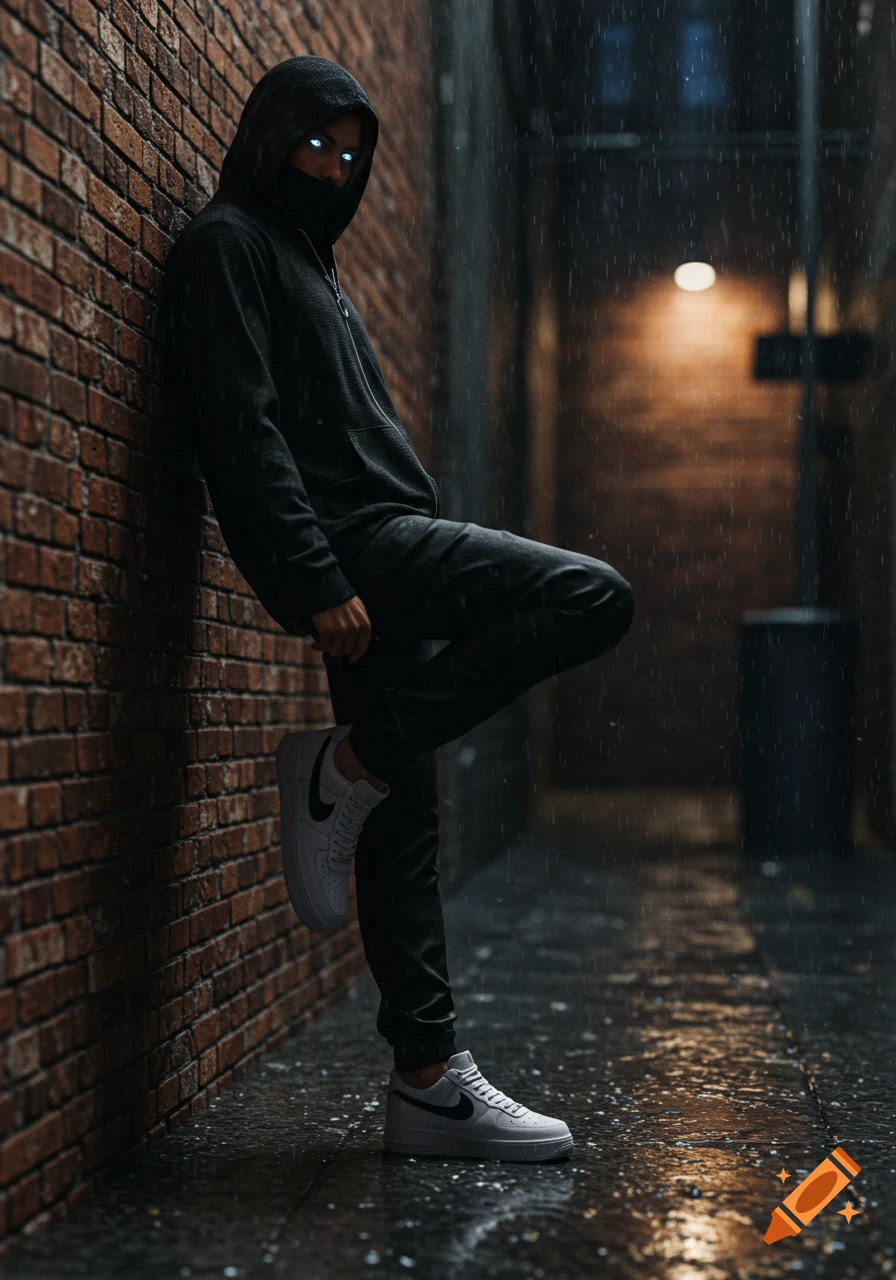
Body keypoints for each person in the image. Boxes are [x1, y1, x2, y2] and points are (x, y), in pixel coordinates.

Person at [164, 55, 634, 1163]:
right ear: (268, 136)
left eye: (349, 154)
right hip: (361, 547)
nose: (332, 169)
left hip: (382, 539)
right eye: (313, 145)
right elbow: (240, 430)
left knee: (402, 828)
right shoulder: (229, 245)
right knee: (591, 595)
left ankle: (426, 1081)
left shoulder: (310, 264)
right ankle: (350, 763)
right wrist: (315, 578)